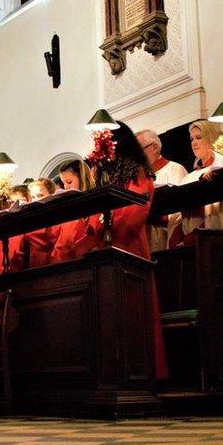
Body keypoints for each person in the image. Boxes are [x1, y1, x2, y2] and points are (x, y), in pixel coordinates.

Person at [73, 122, 168, 380]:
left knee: (134, 313)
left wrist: (108, 223)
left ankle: (141, 373)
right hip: (106, 247)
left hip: (129, 248)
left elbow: (135, 210)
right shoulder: (108, 174)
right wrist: (95, 224)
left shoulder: (138, 173)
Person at [169, 119, 223, 248]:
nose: (194, 143)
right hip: (186, 242)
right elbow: (179, 214)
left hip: (210, 240)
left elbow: (217, 212)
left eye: (198, 137)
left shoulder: (219, 171)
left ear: (211, 138)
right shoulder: (189, 177)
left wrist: (193, 237)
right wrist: (179, 237)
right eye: (192, 139)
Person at [136, 129, 188, 252]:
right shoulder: (138, 177)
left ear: (154, 147)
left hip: (163, 233)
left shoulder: (175, 169)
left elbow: (181, 209)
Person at [51, 159, 95, 262]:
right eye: (64, 183)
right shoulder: (67, 208)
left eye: (69, 182)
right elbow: (60, 243)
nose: (66, 187)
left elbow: (93, 237)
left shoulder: (94, 202)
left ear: (82, 178)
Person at [16, 178, 60, 268]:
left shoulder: (59, 217)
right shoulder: (30, 220)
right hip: (33, 270)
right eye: (33, 197)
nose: (36, 200)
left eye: (40, 195)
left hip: (55, 267)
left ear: (52, 195)